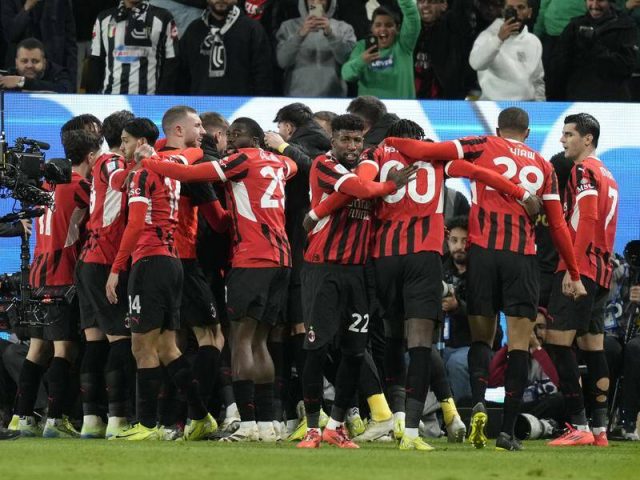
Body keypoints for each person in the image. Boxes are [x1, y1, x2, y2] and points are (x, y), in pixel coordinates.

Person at [308, 118, 540, 450]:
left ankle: (389, 417)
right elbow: (480, 174)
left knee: (386, 338)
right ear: (419, 138)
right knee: (420, 343)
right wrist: (520, 192)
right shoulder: (436, 158)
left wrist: (316, 214)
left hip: (384, 256)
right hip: (425, 257)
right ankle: (413, 432)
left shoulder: (375, 154)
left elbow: (357, 185)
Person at [385, 107, 587, 452]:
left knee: (483, 337)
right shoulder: (543, 165)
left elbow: (425, 152)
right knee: (520, 343)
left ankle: (478, 399)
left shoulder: (481, 143)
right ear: (527, 133)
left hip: (483, 255)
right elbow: (557, 225)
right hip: (521, 257)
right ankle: (507, 431)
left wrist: (389, 138)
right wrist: (573, 271)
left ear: (498, 128)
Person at [138, 117, 298, 442]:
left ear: (251, 138)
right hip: (282, 259)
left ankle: (248, 424)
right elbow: (293, 164)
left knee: (240, 340)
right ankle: (268, 425)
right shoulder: (279, 163)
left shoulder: (239, 160)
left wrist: (148, 160)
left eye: (237, 133)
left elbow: (187, 174)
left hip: (251, 258)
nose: (231, 138)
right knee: (261, 342)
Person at [294, 114, 416, 449]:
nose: (352, 146)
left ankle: (335, 426)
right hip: (324, 269)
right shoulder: (323, 164)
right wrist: (390, 185)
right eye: (345, 139)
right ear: (332, 139)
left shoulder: (367, 166)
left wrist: (317, 213)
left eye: (357, 140)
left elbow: (361, 187)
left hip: (358, 273)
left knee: (354, 352)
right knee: (316, 350)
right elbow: (361, 189)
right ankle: (311, 429)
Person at [106, 117, 214, 441]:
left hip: (149, 262)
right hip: (172, 262)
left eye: (125, 141)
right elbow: (116, 182)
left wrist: (116, 269)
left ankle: (148, 426)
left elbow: (135, 224)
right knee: (168, 347)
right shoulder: (169, 166)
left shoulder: (142, 174)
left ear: (140, 142)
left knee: (141, 347)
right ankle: (201, 417)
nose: (122, 147)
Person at [13, 129, 98, 438]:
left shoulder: (45, 184)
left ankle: (22, 418)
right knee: (66, 350)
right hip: (63, 274)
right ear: (91, 156)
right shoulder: (81, 186)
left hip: (39, 273)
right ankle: (55, 420)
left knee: (38, 349)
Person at [546, 113, 619, 447]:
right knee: (593, 348)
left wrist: (572, 271)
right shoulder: (609, 175)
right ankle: (601, 430)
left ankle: (579, 425)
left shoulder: (583, 170)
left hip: (582, 267)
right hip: (603, 270)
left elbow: (587, 216)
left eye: (569, 134)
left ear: (587, 139)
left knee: (557, 342)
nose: (563, 141)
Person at [154, 106, 227, 432]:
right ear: (179, 131)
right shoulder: (192, 168)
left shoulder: (153, 159)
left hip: (152, 260)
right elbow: (218, 220)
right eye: (197, 125)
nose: (204, 132)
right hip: (184, 260)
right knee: (213, 337)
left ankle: (169, 419)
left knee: (171, 344)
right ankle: (196, 416)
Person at [75, 110, 136, 440]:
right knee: (120, 341)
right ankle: (117, 419)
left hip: (89, 259)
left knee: (96, 342)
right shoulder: (115, 164)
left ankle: (91, 420)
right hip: (105, 259)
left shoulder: (101, 163)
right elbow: (117, 197)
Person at [178, 0, 273, 95]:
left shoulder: (252, 29)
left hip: (243, 106)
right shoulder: (193, 30)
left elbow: (263, 77)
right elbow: (182, 76)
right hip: (199, 105)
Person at [547, 0, 637, 101]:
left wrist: (595, 48)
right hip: (577, 100)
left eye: (600, 0)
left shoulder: (626, 26)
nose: (594, 5)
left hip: (613, 102)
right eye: (590, 0)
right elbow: (558, 67)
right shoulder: (574, 26)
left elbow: (627, 66)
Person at [87, 0, 179, 94]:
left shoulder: (164, 17)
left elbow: (171, 62)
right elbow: (96, 61)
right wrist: (92, 98)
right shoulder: (103, 18)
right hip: (110, 99)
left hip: (150, 100)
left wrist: (162, 98)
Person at [341, 0, 421, 98]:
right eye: (378, 25)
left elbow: (412, 15)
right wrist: (362, 61)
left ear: (397, 28)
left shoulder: (404, 44)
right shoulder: (362, 47)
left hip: (402, 109)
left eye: (388, 25)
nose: (383, 29)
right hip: (370, 110)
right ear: (372, 28)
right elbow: (346, 74)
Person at [275, 0, 356, 97]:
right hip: (297, 95)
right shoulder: (288, 26)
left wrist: (330, 34)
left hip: (334, 97)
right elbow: (282, 62)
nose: (316, 2)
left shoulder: (344, 28)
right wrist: (300, 35)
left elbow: (346, 61)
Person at [469, 0, 545, 101]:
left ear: (529, 12)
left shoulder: (533, 41)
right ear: (503, 11)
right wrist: (499, 39)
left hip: (526, 107)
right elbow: (476, 64)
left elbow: (537, 80)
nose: (516, 12)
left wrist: (540, 106)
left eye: (521, 7)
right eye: (511, 9)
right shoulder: (487, 36)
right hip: (493, 105)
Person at [0, 0, 77, 89]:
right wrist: (27, 8)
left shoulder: (60, 2)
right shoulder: (8, 2)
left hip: (52, 72)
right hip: (17, 74)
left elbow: (70, 42)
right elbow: (11, 34)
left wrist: (72, 79)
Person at [414, 0, 476, 99]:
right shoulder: (412, 30)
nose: (425, 5)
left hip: (444, 99)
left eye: (431, 2)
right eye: (421, 1)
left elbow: (461, 10)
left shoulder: (451, 27)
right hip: (413, 99)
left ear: (444, 5)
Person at [442, 215, 473, 402]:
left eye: (464, 241)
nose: (459, 246)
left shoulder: (482, 270)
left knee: (456, 363)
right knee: (410, 359)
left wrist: (457, 307)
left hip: (475, 345)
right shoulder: (438, 266)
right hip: (442, 343)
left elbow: (485, 313)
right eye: (454, 240)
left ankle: (463, 416)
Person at [0, 37, 72, 93]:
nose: (29, 65)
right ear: (16, 63)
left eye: (35, 61)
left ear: (44, 62)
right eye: (24, 61)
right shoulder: (9, 76)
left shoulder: (59, 73)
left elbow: (66, 91)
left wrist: (22, 82)